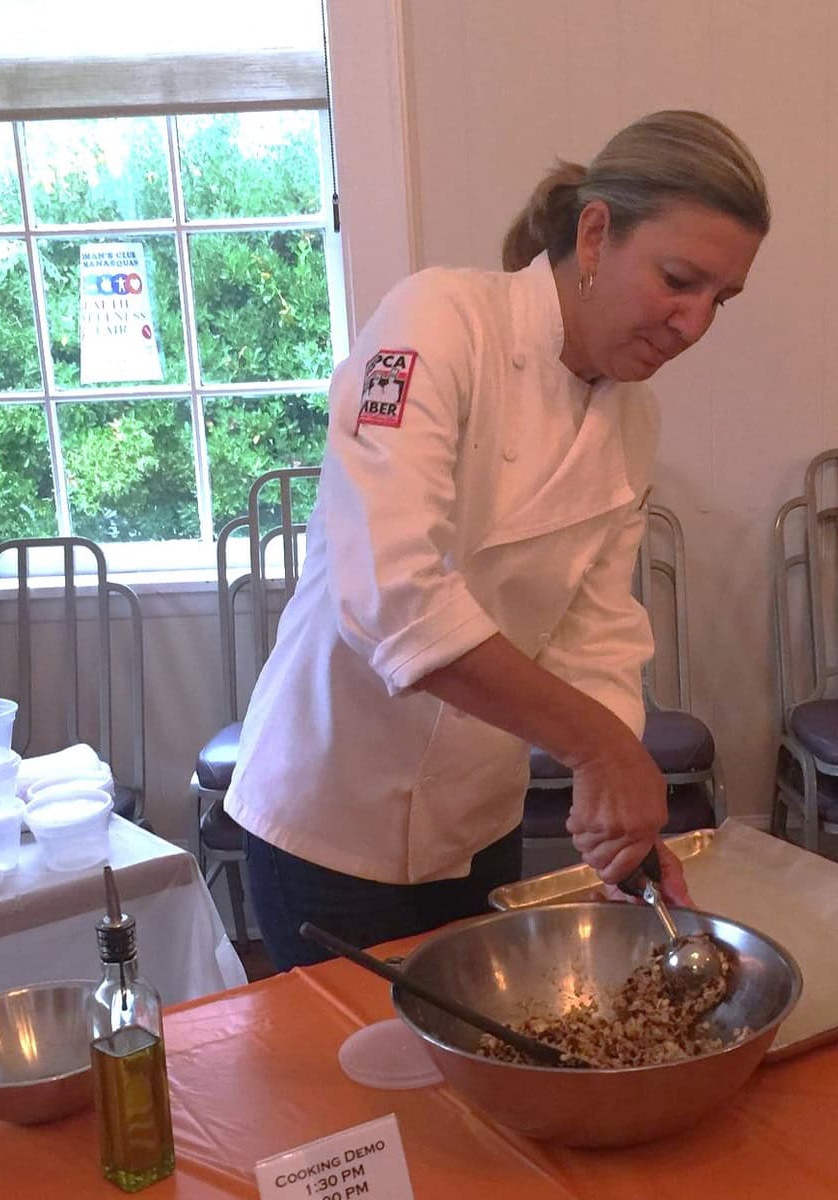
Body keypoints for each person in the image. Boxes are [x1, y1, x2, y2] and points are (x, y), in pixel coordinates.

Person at [225, 109, 769, 970]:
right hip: (328, 816)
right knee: (351, 1089)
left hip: (478, 818)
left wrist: (615, 810)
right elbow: (394, 595)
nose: (693, 324)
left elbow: (597, 633)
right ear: (595, 233)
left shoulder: (632, 417)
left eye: (720, 300)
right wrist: (599, 747)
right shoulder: (438, 322)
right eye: (678, 279)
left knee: (474, 1075)